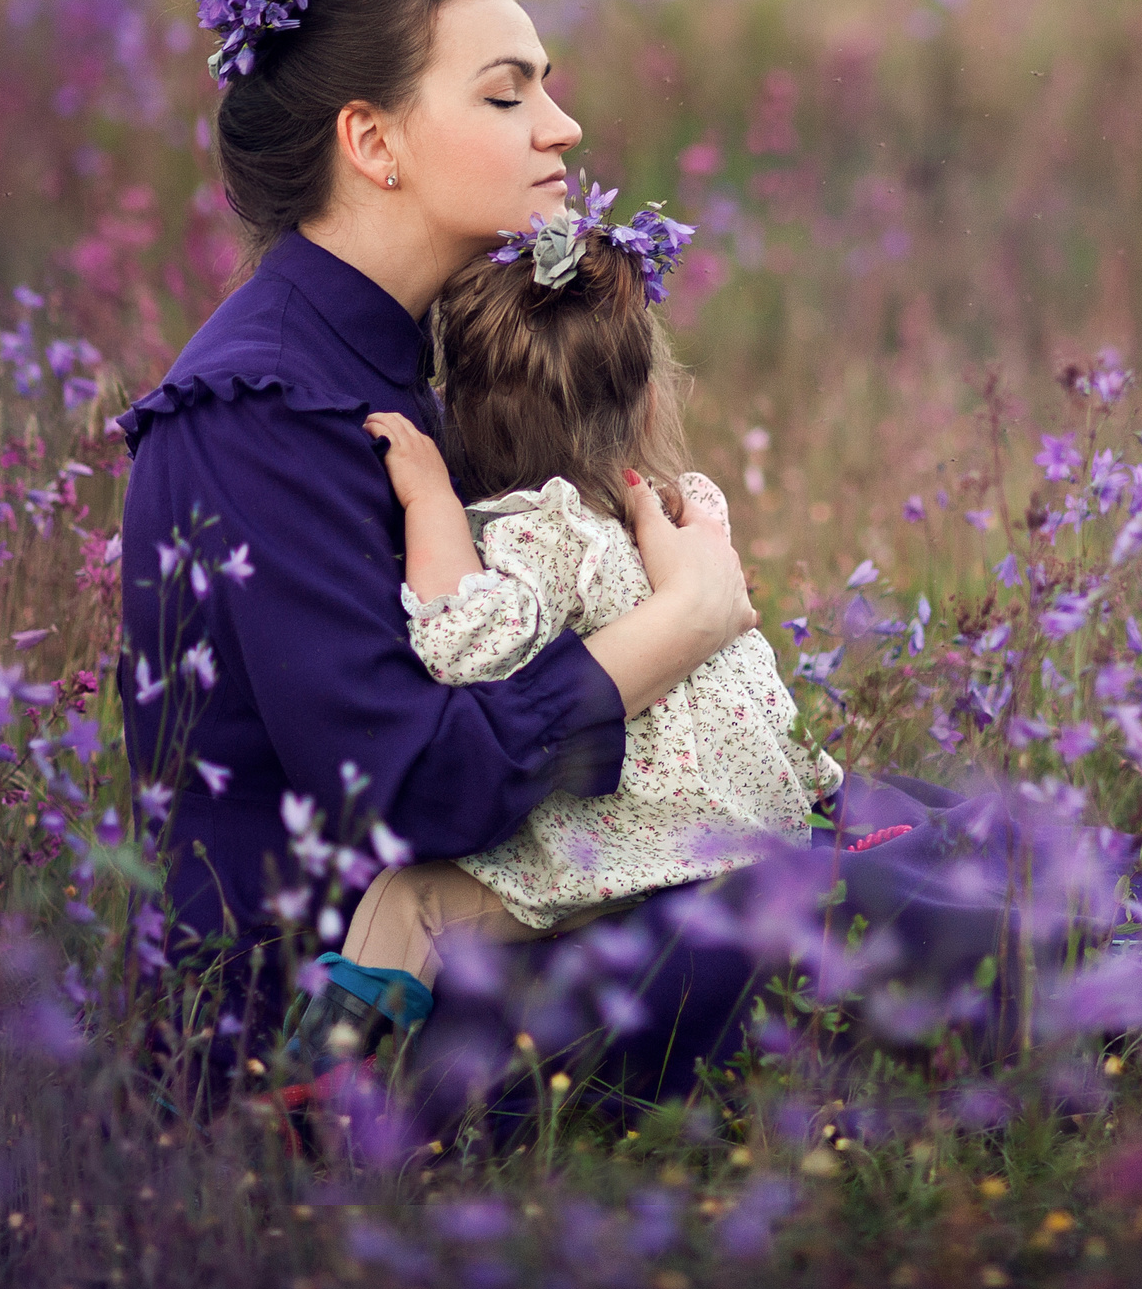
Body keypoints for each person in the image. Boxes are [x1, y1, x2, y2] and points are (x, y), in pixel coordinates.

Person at [118, 0, 1142, 1127]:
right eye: (508, 95)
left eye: (546, 86)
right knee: (847, 904)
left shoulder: (411, 345)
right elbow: (417, 787)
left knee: (974, 840)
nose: (563, 126)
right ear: (370, 140)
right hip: (371, 1018)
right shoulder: (252, 416)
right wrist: (681, 623)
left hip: (556, 886)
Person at [277, 209, 845, 1086]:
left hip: (625, 853)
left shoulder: (541, 535)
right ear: (651, 398)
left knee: (411, 899)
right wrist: (814, 789)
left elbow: (466, 645)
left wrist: (430, 503)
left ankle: (326, 1075)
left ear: (457, 419)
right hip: (750, 823)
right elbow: (749, 674)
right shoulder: (688, 515)